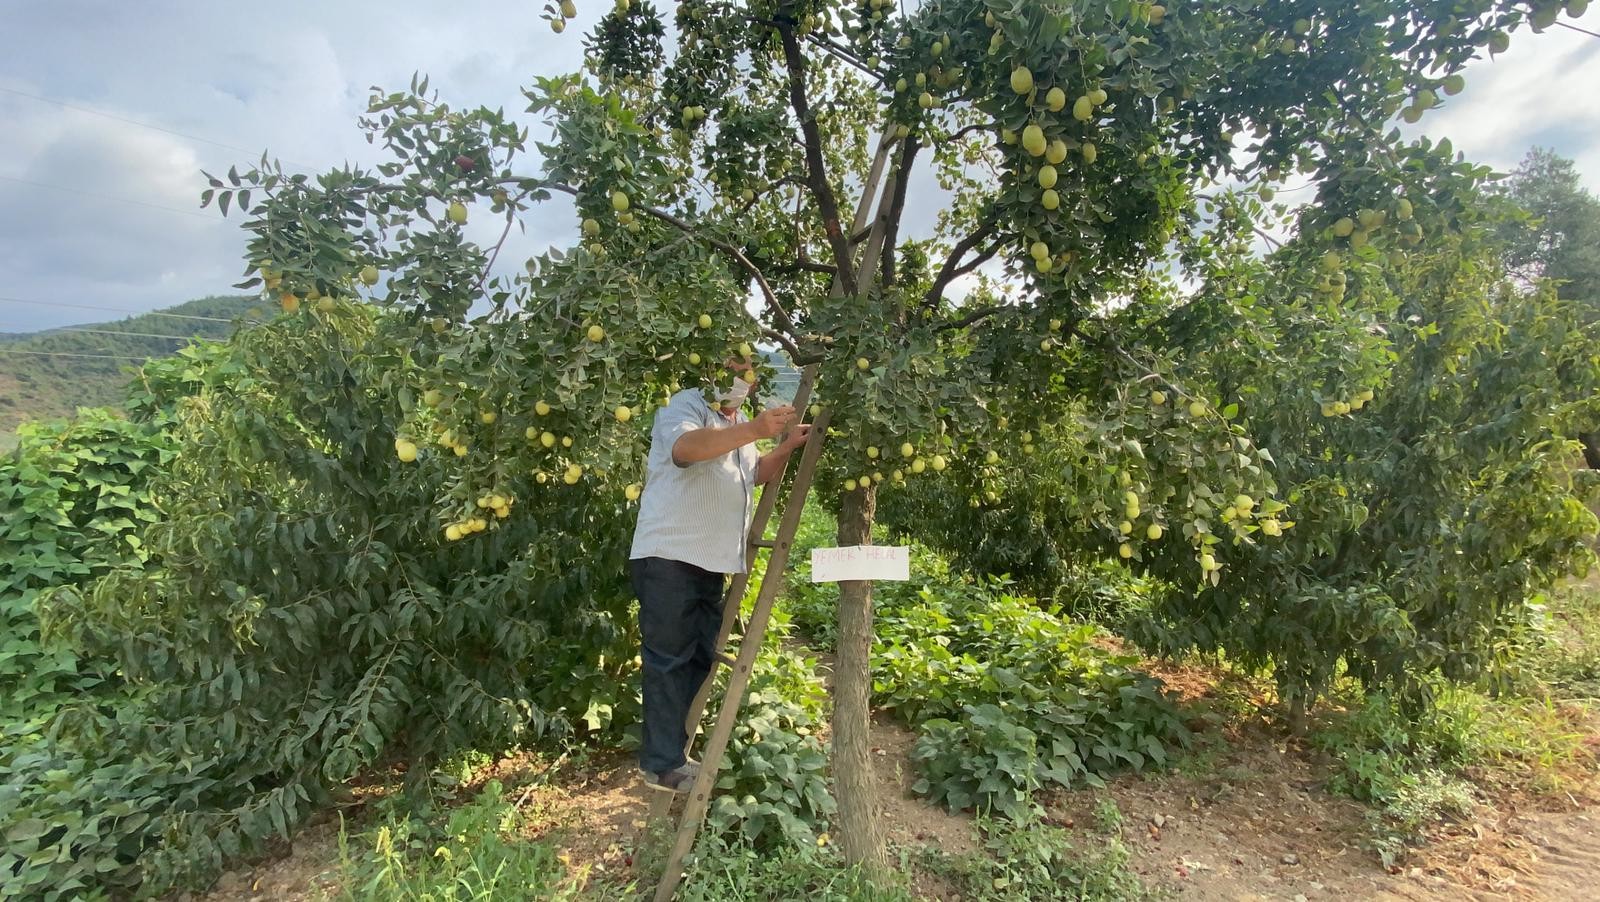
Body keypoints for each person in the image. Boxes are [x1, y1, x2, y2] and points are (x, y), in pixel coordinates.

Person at [628, 357, 811, 792]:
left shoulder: (740, 423)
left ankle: (670, 750)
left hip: (712, 561)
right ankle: (660, 764)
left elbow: (753, 474)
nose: (739, 381)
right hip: (670, 555)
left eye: (747, 374)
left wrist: (783, 447)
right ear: (711, 372)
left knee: (699, 657)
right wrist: (754, 430)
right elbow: (685, 450)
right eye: (732, 371)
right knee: (668, 659)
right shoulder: (685, 406)